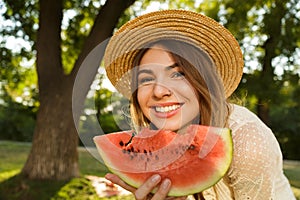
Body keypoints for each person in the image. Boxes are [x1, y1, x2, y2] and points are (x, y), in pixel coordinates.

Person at [102, 9, 295, 200]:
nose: (159, 91)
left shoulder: (246, 140)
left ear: (204, 81)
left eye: (178, 74)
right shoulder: (160, 139)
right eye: (145, 79)